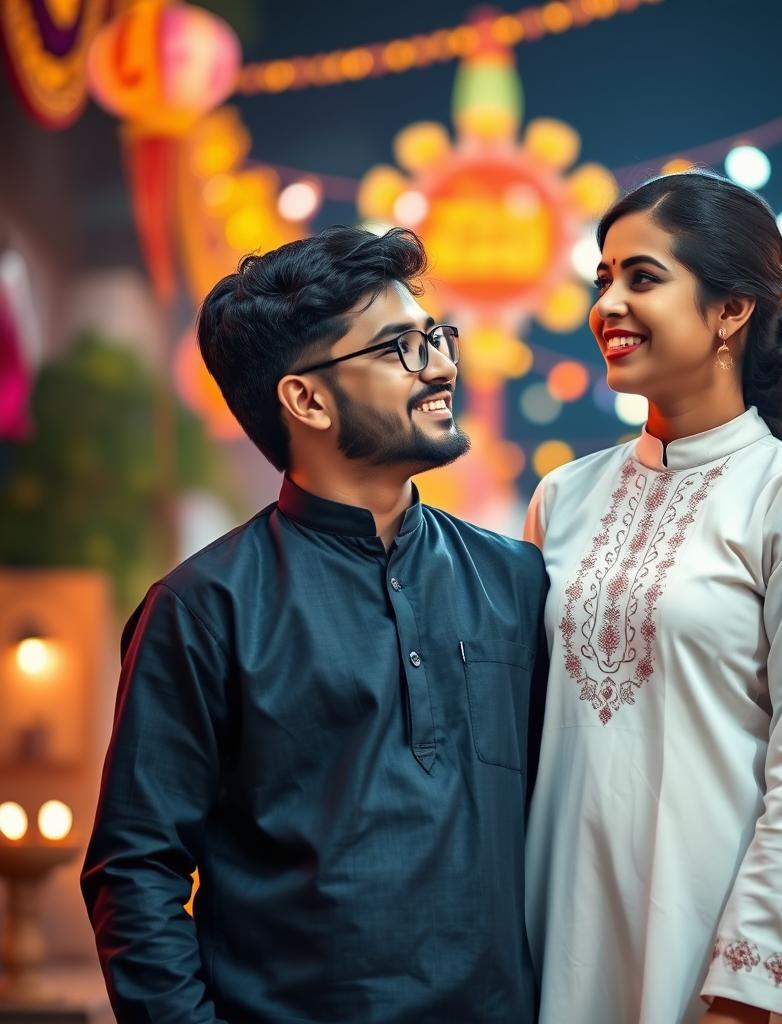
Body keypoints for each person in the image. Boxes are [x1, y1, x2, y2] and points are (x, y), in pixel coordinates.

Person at [82, 225, 548, 1023]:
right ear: (305, 398)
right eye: (400, 347)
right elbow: (135, 870)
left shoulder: (517, 579)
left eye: (435, 336)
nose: (440, 365)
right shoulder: (204, 608)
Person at [524, 171, 782, 1024]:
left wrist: (750, 996)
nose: (608, 303)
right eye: (602, 279)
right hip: (561, 948)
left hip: (720, 974)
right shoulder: (562, 500)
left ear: (730, 311)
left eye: (643, 277)